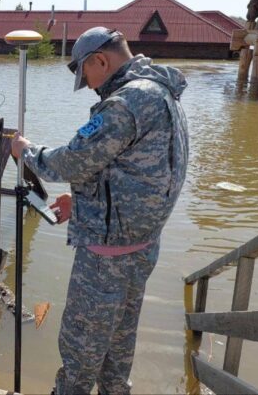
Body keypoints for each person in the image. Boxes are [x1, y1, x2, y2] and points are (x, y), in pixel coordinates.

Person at [10, 26, 189, 394]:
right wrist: (84, 202)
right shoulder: (163, 92)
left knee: (81, 352)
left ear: (100, 60)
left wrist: (26, 152)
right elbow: (145, 171)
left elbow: (72, 162)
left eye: (86, 74)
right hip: (141, 248)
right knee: (118, 349)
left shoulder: (125, 103)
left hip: (108, 259)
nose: (89, 85)